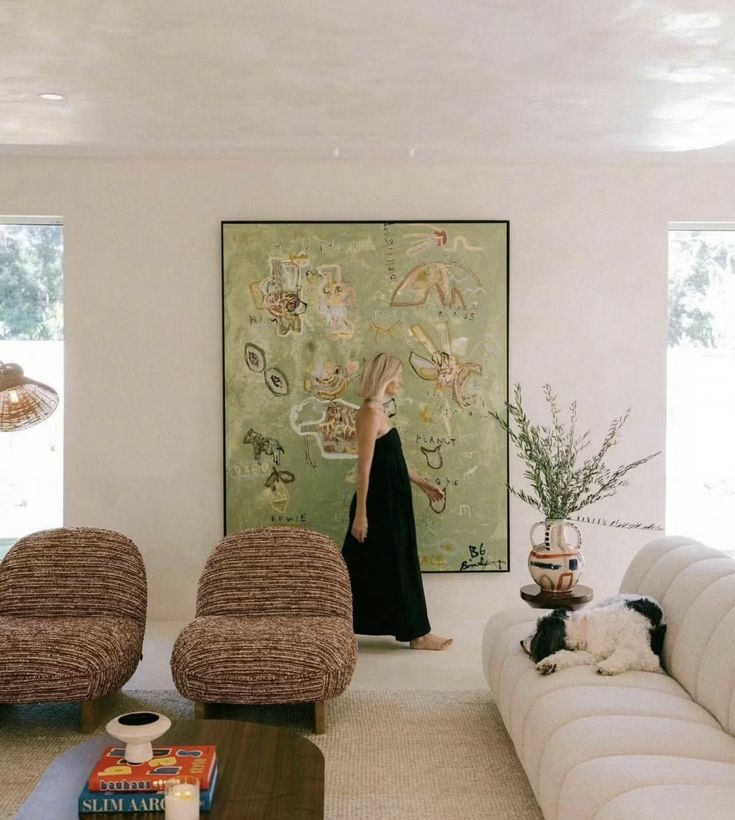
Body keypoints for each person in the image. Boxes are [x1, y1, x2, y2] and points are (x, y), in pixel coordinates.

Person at [342, 352, 453, 650]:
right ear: (386, 377)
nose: (401, 382)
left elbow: (394, 463)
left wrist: (424, 485)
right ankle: (416, 634)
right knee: (366, 567)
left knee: (394, 565)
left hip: (393, 503)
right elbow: (364, 466)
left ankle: (415, 632)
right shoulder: (368, 413)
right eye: (398, 377)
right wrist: (362, 514)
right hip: (378, 506)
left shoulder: (381, 412)